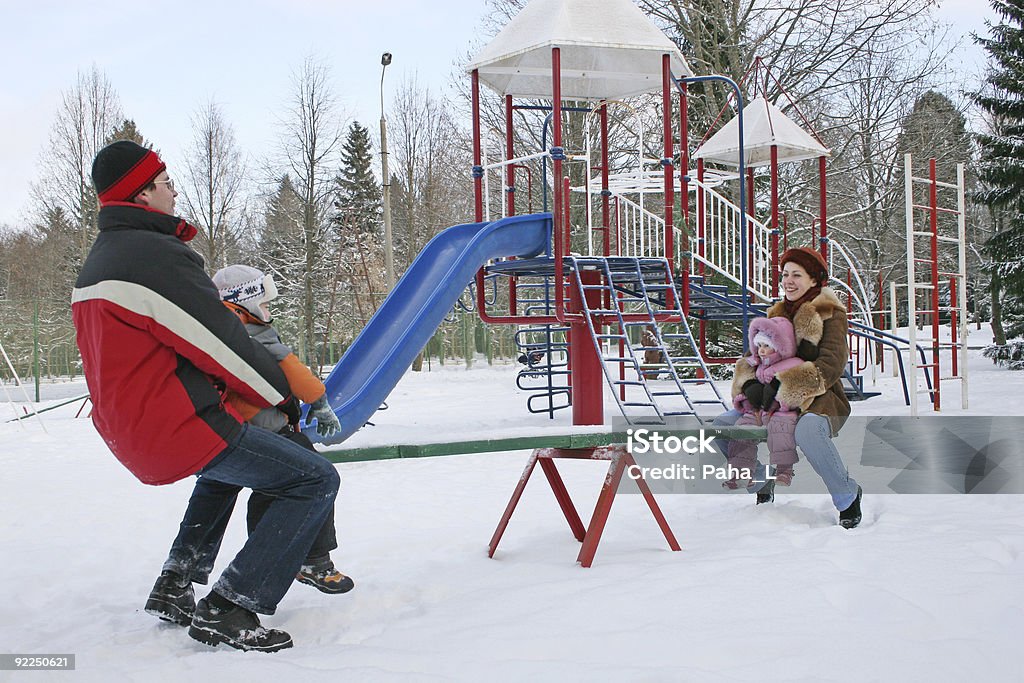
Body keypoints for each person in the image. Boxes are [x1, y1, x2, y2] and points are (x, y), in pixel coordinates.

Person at [72, 140, 340, 652]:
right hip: (177, 421)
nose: (174, 190)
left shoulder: (101, 261)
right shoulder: (152, 256)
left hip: (131, 427)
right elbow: (224, 343)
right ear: (143, 192)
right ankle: (231, 605)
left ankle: (177, 581)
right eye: (166, 182)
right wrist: (282, 398)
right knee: (313, 477)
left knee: (225, 475)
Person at [211, 263, 353, 595]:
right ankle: (312, 559)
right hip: (267, 429)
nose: (268, 310)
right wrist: (318, 400)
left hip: (247, 429)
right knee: (317, 476)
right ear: (242, 302)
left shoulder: (221, 330)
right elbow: (292, 370)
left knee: (269, 490)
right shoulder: (253, 334)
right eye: (264, 303)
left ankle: (273, 552)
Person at [713, 247, 863, 528]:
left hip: (819, 399)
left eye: (797, 275)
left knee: (808, 431)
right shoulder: (776, 313)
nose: (788, 281)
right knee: (722, 426)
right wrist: (751, 387)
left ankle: (847, 496)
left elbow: (831, 365)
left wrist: (785, 388)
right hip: (769, 401)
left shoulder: (831, 313)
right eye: (785, 275)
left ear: (815, 279)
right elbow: (755, 356)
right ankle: (759, 482)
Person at [725, 316, 805, 488]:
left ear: (780, 346)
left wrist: (780, 396)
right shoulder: (756, 365)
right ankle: (741, 471)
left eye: (766, 346)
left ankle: (784, 470)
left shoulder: (793, 365)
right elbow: (743, 385)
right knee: (742, 428)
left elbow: (797, 390)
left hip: (782, 410)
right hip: (759, 410)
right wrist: (749, 397)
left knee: (781, 429)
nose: (761, 350)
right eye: (759, 345)